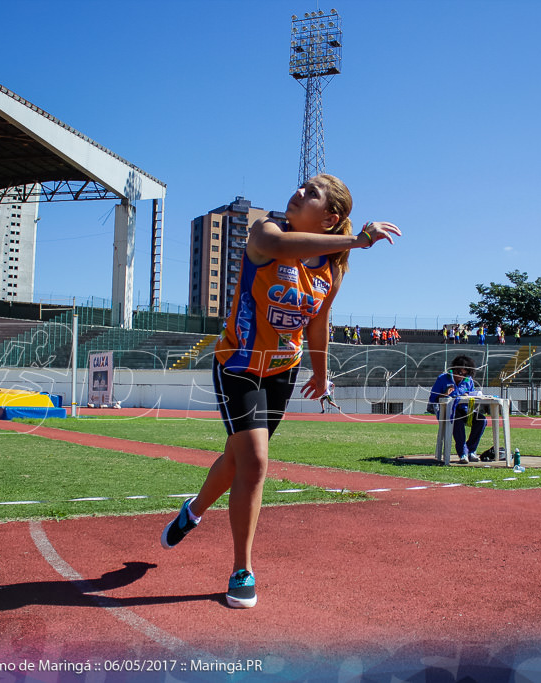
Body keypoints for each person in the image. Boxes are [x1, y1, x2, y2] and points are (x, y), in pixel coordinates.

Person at [160, 174, 401, 609]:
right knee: (254, 459)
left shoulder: (331, 269)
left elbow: (319, 323)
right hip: (237, 363)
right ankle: (242, 569)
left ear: (330, 218)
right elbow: (280, 249)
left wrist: (322, 373)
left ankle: (193, 510)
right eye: (302, 186)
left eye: (311, 193)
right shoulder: (264, 232)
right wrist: (358, 242)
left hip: (281, 372)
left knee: (239, 459)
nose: (298, 193)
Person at [428, 354, 486, 464]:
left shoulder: (469, 381)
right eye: (459, 373)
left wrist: (468, 394)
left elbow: (471, 394)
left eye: (466, 374)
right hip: (448, 412)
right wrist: (445, 394)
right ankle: (463, 453)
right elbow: (433, 398)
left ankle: (470, 450)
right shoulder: (443, 379)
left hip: (465, 410)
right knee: (457, 419)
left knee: (482, 420)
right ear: (454, 369)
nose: (462, 376)